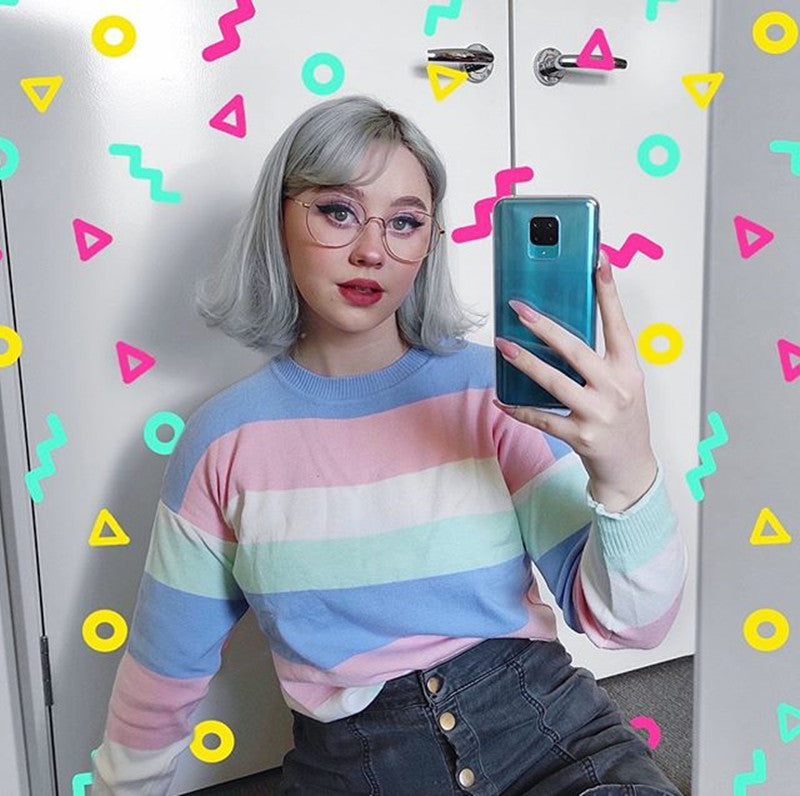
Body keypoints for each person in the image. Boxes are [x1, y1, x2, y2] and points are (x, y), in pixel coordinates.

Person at [90, 94, 689, 795]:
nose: (372, 250)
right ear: (278, 220)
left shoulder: (493, 394)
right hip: (357, 771)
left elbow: (630, 626)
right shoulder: (221, 441)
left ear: (429, 244)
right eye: (337, 211)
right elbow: (163, 675)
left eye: (405, 222)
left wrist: (627, 470)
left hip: (548, 738)